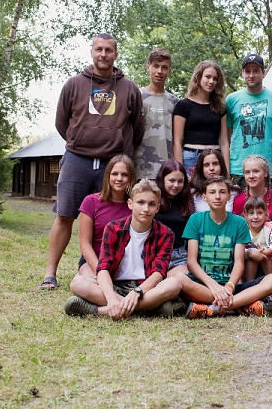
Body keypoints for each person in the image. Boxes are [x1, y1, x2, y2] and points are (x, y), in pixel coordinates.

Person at [40, 33, 145, 290]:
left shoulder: (129, 89)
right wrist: (80, 141)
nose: (103, 54)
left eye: (108, 50)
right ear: (92, 52)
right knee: (65, 215)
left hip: (113, 163)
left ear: (116, 54)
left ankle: (99, 268)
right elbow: (62, 123)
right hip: (77, 159)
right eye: (99, 49)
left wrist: (118, 147)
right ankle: (50, 274)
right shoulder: (74, 84)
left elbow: (138, 128)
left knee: (110, 219)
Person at [63, 179, 182, 319]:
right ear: (130, 204)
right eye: (140, 202)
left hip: (145, 288)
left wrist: (137, 292)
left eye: (151, 204)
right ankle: (148, 308)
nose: (146, 209)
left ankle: (99, 311)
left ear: (157, 208)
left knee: (174, 284)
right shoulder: (113, 228)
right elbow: (103, 268)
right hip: (116, 286)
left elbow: (158, 273)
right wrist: (111, 298)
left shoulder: (166, 234)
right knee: (78, 283)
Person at [175, 176, 272, 318]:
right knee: (178, 279)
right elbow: (191, 262)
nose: (217, 196)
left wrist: (229, 287)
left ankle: (214, 308)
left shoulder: (238, 222)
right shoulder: (195, 220)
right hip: (202, 286)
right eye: (212, 192)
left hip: (230, 287)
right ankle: (241, 304)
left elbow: (239, 263)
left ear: (229, 196)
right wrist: (214, 287)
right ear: (204, 197)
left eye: (222, 192)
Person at [226, 53, 272, 184]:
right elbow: (226, 137)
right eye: (247, 71)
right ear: (242, 73)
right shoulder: (232, 100)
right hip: (238, 170)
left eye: (256, 71)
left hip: (268, 171)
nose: (251, 75)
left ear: (263, 72)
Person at [73, 155, 135, 284]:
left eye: (124, 175)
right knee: (86, 283)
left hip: (124, 264)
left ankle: (112, 295)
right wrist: (101, 271)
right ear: (107, 176)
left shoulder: (135, 206)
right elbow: (85, 243)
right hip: (94, 261)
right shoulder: (91, 201)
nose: (119, 178)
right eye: (115, 174)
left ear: (131, 178)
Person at [173, 60, 229, 175]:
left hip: (215, 159)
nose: (211, 81)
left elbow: (224, 142)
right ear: (198, 77)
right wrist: (179, 171)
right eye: (208, 77)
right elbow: (177, 142)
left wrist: (227, 171)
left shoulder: (220, 108)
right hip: (191, 159)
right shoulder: (183, 105)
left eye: (215, 78)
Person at [134, 48, 179, 180]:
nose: (159, 71)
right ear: (148, 67)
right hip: (139, 167)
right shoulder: (136, 97)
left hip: (167, 170)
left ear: (169, 70)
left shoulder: (175, 101)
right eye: (156, 66)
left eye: (164, 67)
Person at [154, 160, 194, 276]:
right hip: (155, 253)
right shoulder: (153, 199)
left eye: (180, 181)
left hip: (179, 255)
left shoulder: (187, 201)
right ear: (162, 179)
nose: (176, 185)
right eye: (171, 180)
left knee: (184, 279)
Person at [232, 155, 272, 222]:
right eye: (247, 172)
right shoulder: (238, 201)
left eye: (256, 171)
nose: (251, 176)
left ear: (265, 173)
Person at [242, 196, 272, 282]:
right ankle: (249, 285)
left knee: (266, 257)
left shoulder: (270, 227)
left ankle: (271, 285)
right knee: (252, 257)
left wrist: (267, 251)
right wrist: (250, 253)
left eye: (259, 213)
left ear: (266, 215)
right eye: (251, 213)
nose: (255, 217)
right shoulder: (243, 229)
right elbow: (238, 248)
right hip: (248, 263)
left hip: (266, 262)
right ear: (245, 215)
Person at [189, 148, 237, 213]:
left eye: (215, 164)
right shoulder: (193, 192)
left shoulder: (233, 191)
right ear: (201, 168)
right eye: (206, 165)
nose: (211, 168)